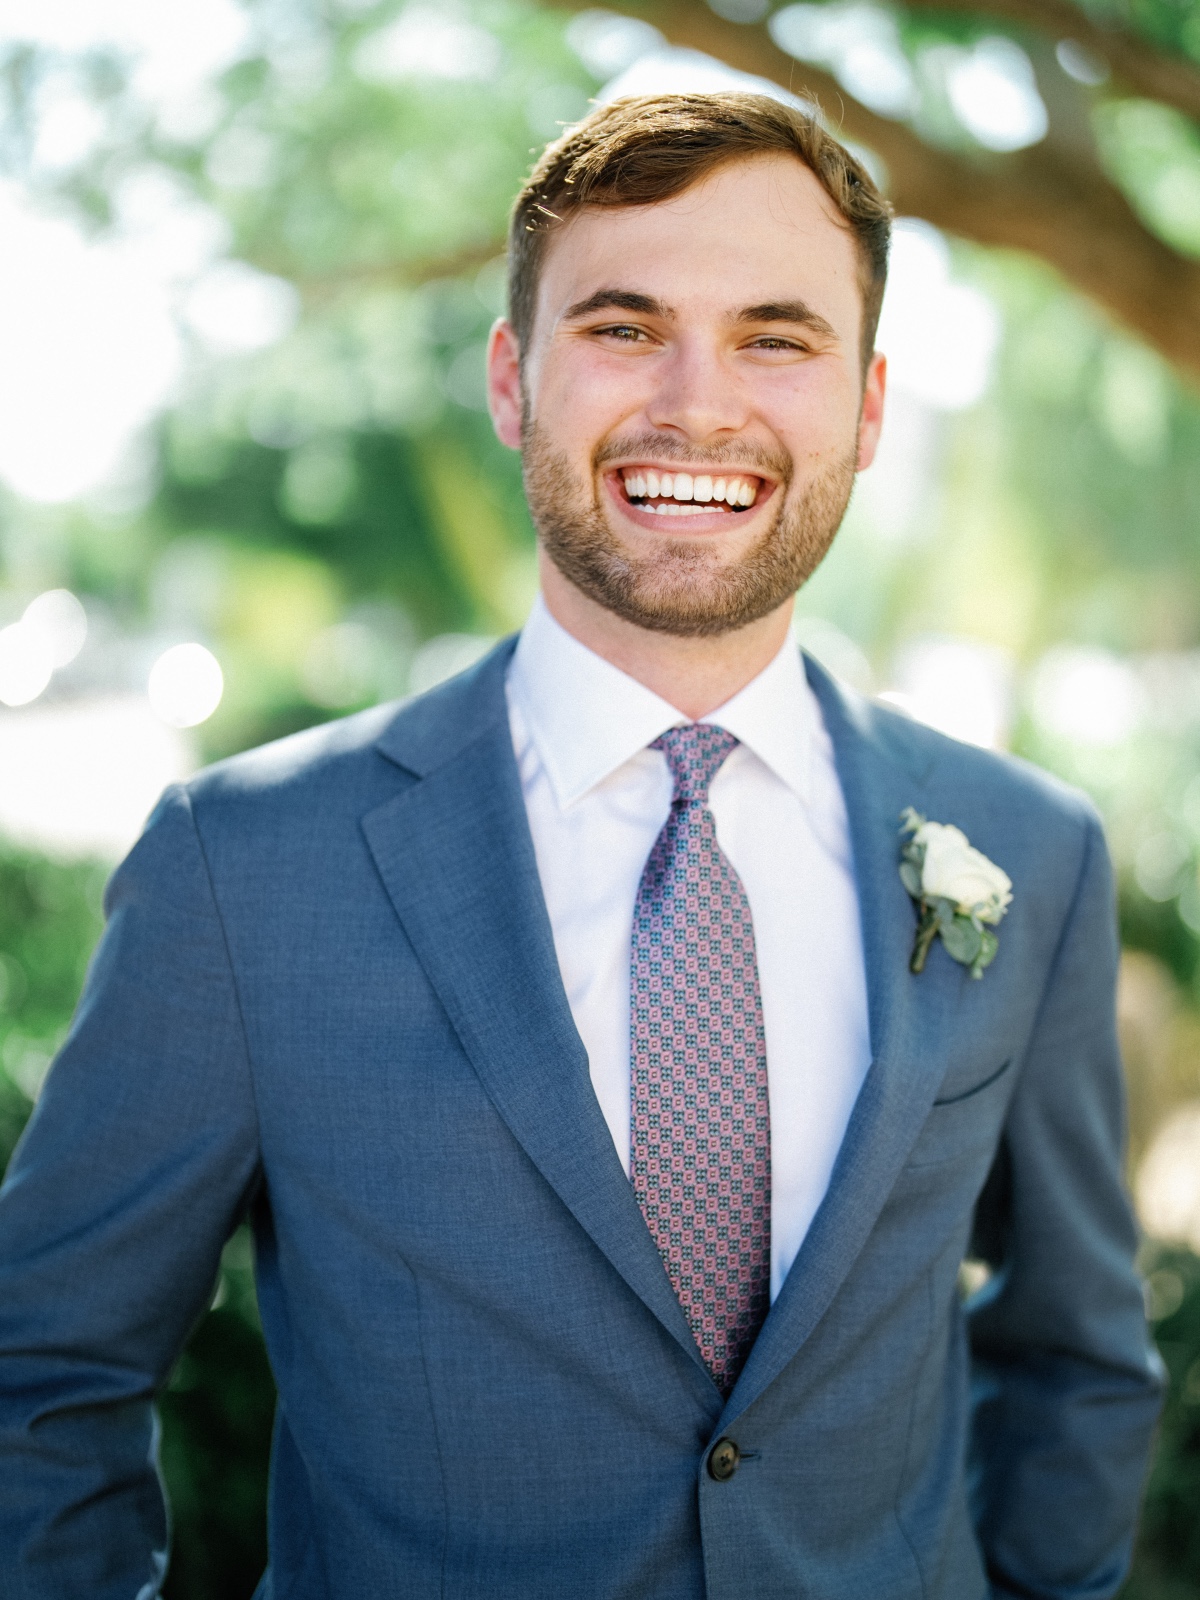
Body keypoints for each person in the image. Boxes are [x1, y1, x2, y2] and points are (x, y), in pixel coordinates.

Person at [0, 93, 1162, 1600]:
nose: (697, 403)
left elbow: (1076, 1358)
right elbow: (40, 1379)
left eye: (775, 337)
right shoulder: (244, 869)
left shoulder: (1028, 852)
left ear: (870, 407)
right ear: (512, 379)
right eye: (624, 328)